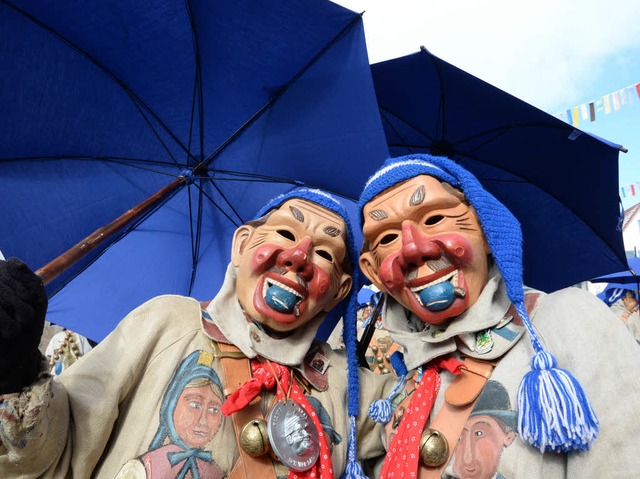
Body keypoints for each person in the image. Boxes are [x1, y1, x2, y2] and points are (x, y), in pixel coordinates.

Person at [0, 188, 393, 478]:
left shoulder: (351, 389)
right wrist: (14, 368)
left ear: (339, 291)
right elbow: (60, 448)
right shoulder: (167, 321)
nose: (299, 256)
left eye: (325, 254)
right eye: (286, 235)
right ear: (242, 246)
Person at [357, 153, 640, 478]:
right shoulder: (403, 374)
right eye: (387, 238)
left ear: (485, 226)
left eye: (434, 218)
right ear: (373, 272)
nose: (412, 248)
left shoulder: (567, 319)